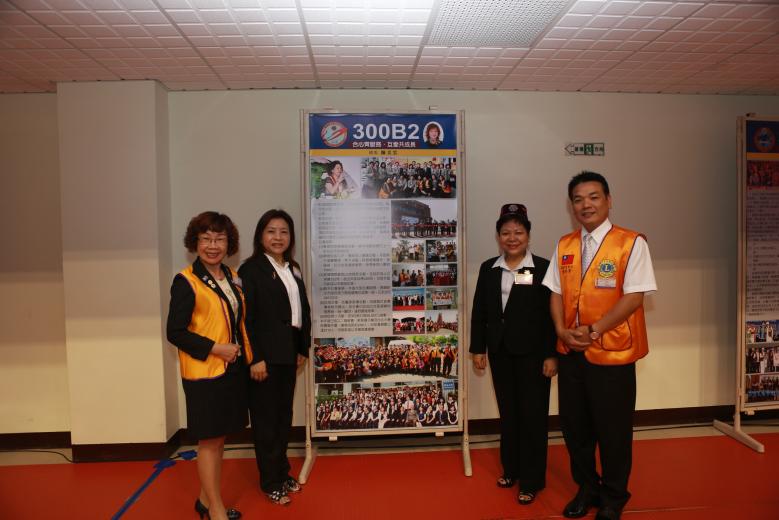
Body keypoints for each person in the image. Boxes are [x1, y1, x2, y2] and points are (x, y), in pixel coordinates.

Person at [542, 171, 657, 520]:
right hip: (571, 352)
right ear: (571, 206)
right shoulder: (564, 245)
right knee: (575, 428)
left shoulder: (631, 243)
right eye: (578, 199)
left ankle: (614, 496)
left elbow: (634, 297)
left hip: (613, 353)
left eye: (593, 197)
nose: (586, 205)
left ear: (608, 200)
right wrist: (561, 331)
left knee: (613, 430)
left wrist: (593, 331)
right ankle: (587, 488)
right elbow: (555, 292)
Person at [470, 203, 557, 505]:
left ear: (528, 235)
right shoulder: (489, 268)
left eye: (518, 232)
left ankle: (531, 480)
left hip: (534, 355)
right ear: (498, 236)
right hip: (500, 353)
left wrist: (552, 354)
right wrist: (477, 348)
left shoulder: (543, 268)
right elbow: (480, 311)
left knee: (533, 416)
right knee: (509, 414)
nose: (512, 238)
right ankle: (511, 470)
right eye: (506, 232)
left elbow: (551, 316)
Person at [166, 211, 250, 520]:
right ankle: (215, 509)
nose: (212, 246)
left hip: (230, 370)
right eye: (206, 239)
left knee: (219, 438)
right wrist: (216, 348)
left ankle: (205, 499)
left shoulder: (231, 276)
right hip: (204, 374)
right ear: (195, 242)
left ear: (229, 243)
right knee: (209, 442)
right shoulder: (186, 281)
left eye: (219, 239)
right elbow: (175, 332)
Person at [239, 209, 311, 506]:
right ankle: (270, 481)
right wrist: (254, 358)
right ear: (260, 236)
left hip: (288, 353)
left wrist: (302, 348)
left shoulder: (292, 267)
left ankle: (282, 473)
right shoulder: (250, 269)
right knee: (266, 422)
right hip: (265, 358)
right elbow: (245, 319)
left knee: (283, 417)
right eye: (271, 231)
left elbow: (302, 310)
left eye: (283, 231)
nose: (278, 237)